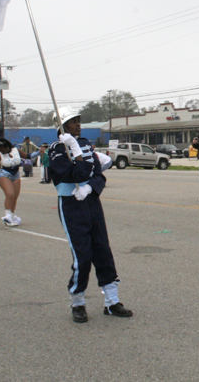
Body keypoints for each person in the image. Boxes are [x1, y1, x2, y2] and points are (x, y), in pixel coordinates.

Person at [48, 106, 132, 323]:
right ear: (62, 126)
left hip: (91, 200)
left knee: (103, 250)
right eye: (73, 121)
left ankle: (112, 301)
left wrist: (89, 187)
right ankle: (77, 302)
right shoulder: (57, 149)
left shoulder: (85, 143)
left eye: (78, 120)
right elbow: (76, 174)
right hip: (71, 204)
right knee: (82, 256)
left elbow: (98, 173)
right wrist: (75, 151)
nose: (78, 124)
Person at [0, 138, 39, 226]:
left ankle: (11, 216)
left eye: (2, 148)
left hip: (16, 175)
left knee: (15, 196)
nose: (1, 150)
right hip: (5, 174)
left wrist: (39, 152)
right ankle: (7, 215)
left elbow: (28, 156)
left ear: (7, 147)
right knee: (10, 194)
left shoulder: (16, 150)